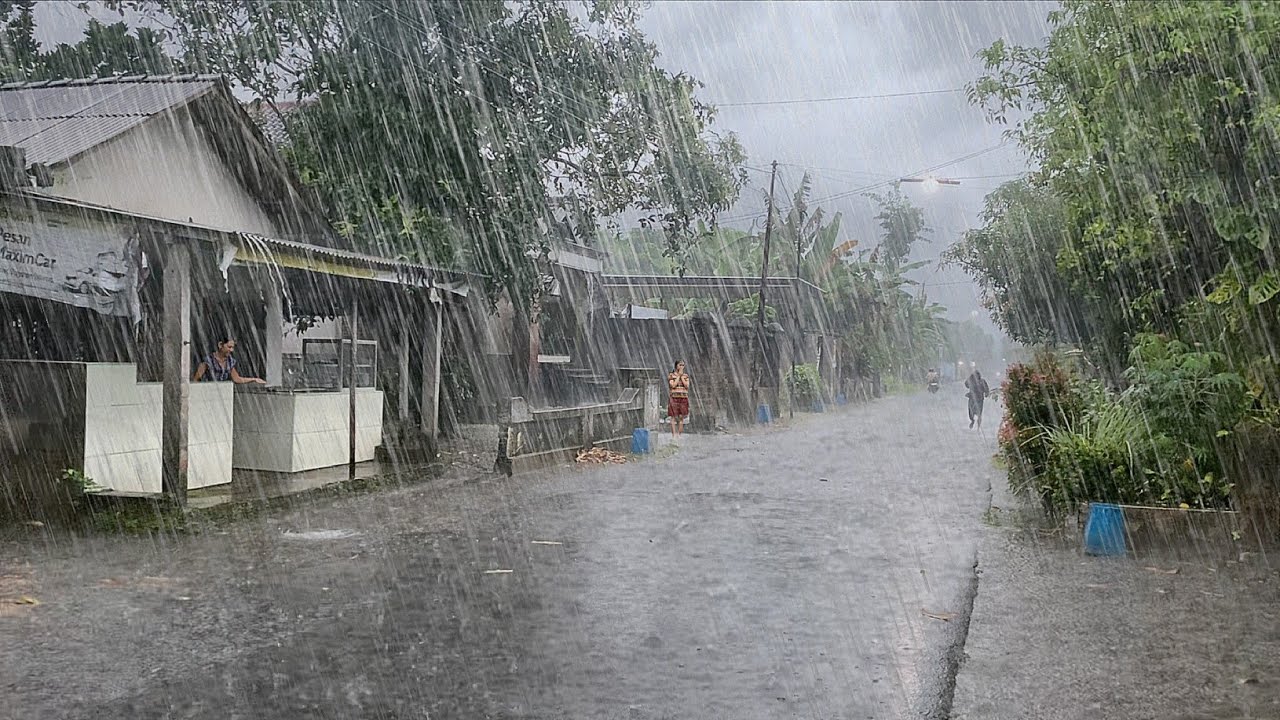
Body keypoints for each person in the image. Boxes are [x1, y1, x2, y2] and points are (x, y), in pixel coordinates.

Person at [193, 337, 267, 384]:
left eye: (233, 347)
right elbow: (196, 380)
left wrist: (254, 379)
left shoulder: (230, 361)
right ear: (220, 345)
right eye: (229, 347)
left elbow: (236, 379)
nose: (231, 350)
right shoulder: (208, 361)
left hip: (222, 393)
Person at [667, 360, 690, 440]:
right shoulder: (671, 375)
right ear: (676, 366)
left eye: (683, 365)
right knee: (673, 417)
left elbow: (687, 386)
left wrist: (682, 377)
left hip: (683, 398)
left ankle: (679, 435)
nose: (681, 367)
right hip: (674, 398)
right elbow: (673, 385)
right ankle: (673, 435)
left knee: (681, 417)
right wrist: (678, 377)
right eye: (680, 365)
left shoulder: (686, 376)